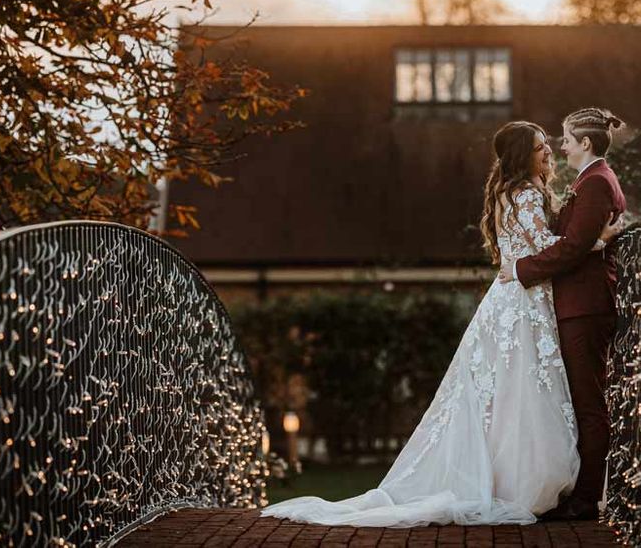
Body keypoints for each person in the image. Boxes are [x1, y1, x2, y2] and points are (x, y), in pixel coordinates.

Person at [261, 120, 622, 527]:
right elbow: (550, 247)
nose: (549, 151)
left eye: (549, 144)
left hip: (518, 298)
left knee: (507, 397)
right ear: (523, 154)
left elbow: (540, 246)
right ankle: (520, 482)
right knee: (519, 394)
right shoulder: (524, 195)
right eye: (540, 146)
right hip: (523, 302)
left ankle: (510, 477)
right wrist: (599, 239)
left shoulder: (520, 192)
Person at [498, 108, 627, 521]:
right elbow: (575, 242)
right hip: (576, 305)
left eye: (566, 138)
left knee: (589, 404)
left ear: (585, 143)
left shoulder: (594, 183)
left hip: (584, 307)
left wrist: (519, 269)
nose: (560, 145)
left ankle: (587, 498)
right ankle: (582, 492)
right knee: (581, 402)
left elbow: (571, 247)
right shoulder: (590, 181)